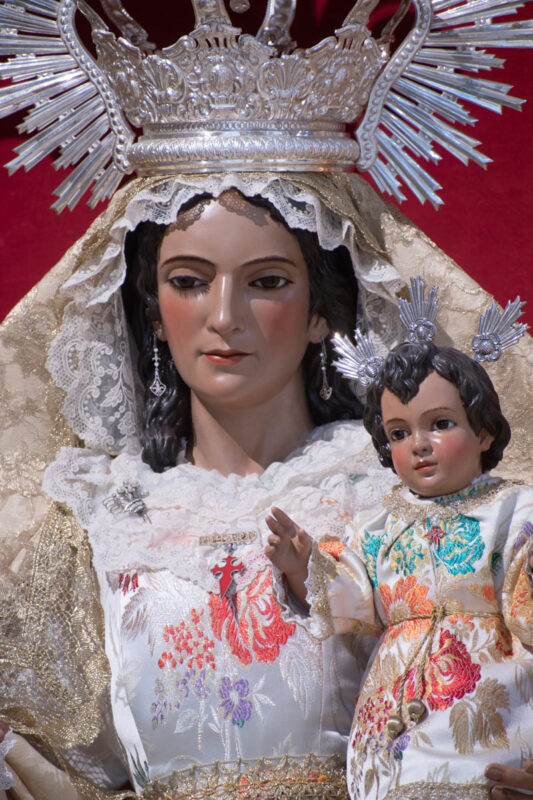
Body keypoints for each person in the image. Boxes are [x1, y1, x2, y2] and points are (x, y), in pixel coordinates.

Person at [1, 172, 533, 800]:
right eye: (189, 282)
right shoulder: (104, 520)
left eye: (267, 282)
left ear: (319, 313)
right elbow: (55, 765)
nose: (224, 317)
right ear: (154, 311)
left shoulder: (403, 496)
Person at [265, 339, 533, 799]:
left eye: (441, 424)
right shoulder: (378, 525)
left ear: (485, 432)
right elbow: (352, 599)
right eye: (399, 433)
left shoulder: (515, 512)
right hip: (389, 718)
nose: (420, 445)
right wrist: (303, 565)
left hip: (487, 707)